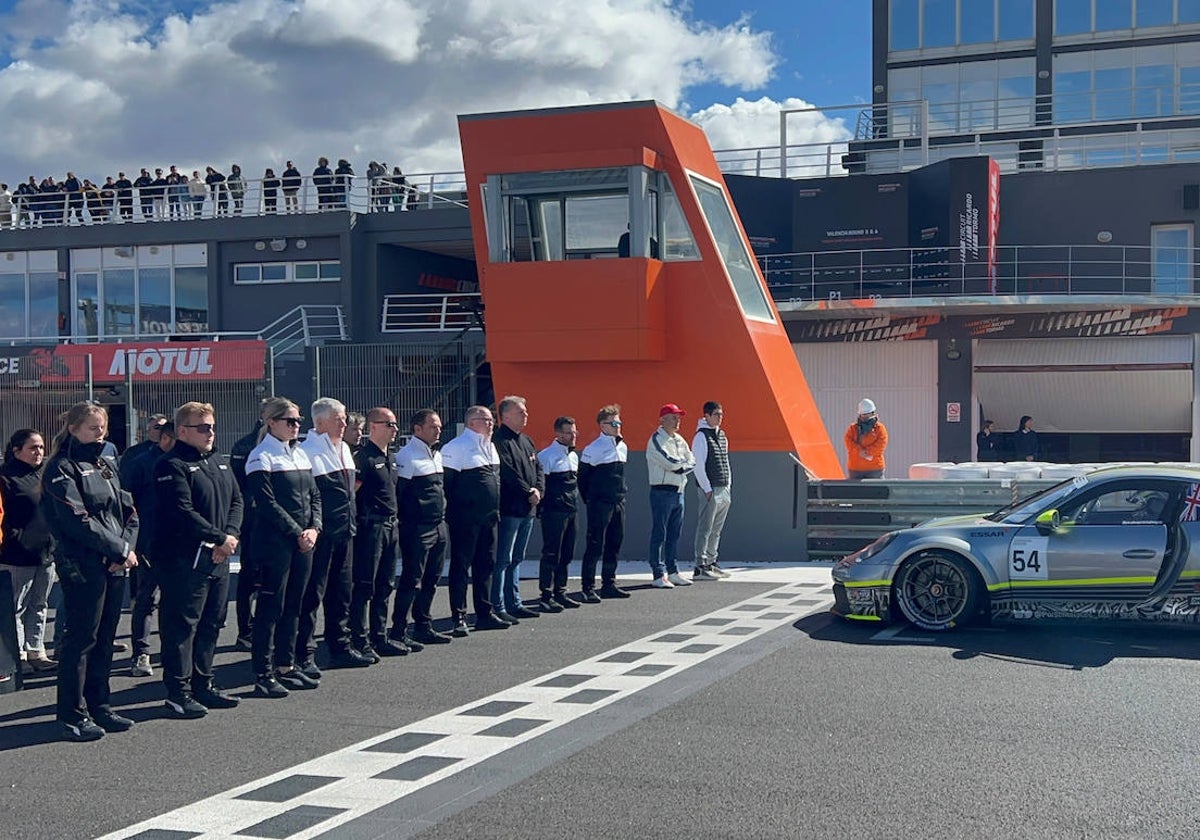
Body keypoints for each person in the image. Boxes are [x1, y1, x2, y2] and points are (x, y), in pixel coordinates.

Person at [41, 402, 139, 742]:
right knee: (81, 640)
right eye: (93, 428)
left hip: (114, 564)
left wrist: (124, 548)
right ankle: (72, 713)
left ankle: (101, 705)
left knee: (106, 638)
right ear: (74, 429)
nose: (101, 434)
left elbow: (129, 512)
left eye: (103, 428)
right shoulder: (60, 467)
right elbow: (75, 519)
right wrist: (117, 549)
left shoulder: (107, 463)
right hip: (82, 564)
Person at [154, 402, 243, 718]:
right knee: (182, 627)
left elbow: (236, 500)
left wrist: (229, 535)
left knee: (212, 623)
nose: (210, 433)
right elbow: (182, 511)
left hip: (219, 557)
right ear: (182, 431)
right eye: (202, 427)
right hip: (185, 560)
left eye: (212, 426)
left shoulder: (218, 460)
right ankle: (178, 692)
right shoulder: (171, 465)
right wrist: (219, 538)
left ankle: (204, 683)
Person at [244, 397, 321, 698]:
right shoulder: (260, 456)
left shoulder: (300, 454)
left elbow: (315, 496)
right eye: (290, 421)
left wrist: (314, 528)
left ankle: (286, 664)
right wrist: (296, 532)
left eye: (299, 421)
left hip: (304, 542)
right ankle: (263, 672)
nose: (296, 426)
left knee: (295, 605)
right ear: (272, 422)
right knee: (270, 607)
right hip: (276, 543)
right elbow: (266, 504)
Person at [298, 398, 364, 674]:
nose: (345, 423)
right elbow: (308, 498)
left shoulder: (345, 449)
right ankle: (304, 653)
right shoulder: (307, 451)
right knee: (312, 595)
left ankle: (340, 647)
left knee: (342, 594)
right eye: (340, 419)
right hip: (322, 535)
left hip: (345, 532)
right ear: (321, 422)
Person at [441, 405, 509, 634]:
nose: (491, 423)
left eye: (491, 420)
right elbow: (447, 485)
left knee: (486, 565)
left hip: (489, 518)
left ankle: (484, 613)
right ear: (471, 423)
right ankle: (458, 616)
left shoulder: (490, 446)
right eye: (485, 419)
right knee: (461, 567)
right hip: (465, 519)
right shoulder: (455, 448)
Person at [391, 409, 452, 648]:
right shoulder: (407, 456)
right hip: (417, 528)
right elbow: (400, 494)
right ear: (417, 429)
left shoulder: (436, 455)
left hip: (439, 525)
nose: (438, 430)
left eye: (439, 426)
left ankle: (423, 625)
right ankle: (398, 630)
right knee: (411, 580)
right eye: (433, 426)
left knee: (432, 578)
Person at [351, 406, 406, 660]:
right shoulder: (363, 458)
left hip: (391, 525)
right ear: (373, 426)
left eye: (395, 424)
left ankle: (379, 636)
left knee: (385, 584)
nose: (394, 429)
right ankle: (359, 639)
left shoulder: (391, 457)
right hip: (371, 527)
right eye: (389, 424)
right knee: (365, 585)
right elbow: (353, 493)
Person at [122, 422, 177, 678]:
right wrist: (132, 543)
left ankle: (170, 653)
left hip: (180, 545)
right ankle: (141, 653)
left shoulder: (186, 462)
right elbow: (125, 504)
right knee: (146, 600)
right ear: (166, 438)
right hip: (148, 544)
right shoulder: (140, 462)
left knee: (175, 602)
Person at [0, 429, 56, 673]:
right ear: (16, 451)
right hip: (16, 555)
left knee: (40, 603)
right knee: (15, 607)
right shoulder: (6, 477)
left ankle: (36, 650)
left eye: (42, 447)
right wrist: (17, 540)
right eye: (33, 448)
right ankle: (19, 654)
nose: (39, 452)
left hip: (46, 553)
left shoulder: (44, 474)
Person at [494, 395, 545, 621]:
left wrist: (538, 490)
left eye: (525, 412)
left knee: (517, 558)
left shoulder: (527, 441)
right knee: (504, 558)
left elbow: (539, 469)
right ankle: (499, 605)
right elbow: (508, 473)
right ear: (505, 416)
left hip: (528, 509)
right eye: (520, 412)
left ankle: (515, 602)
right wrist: (528, 492)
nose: (526, 415)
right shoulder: (500, 441)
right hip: (511, 508)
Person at [578, 404, 630, 601]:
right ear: (602, 425)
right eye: (613, 423)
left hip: (618, 501)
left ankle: (609, 584)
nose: (618, 426)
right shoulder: (593, 448)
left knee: (614, 543)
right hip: (600, 504)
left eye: (619, 422)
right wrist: (591, 500)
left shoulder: (622, 446)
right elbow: (583, 478)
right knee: (595, 544)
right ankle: (588, 587)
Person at [229, 402, 268, 649]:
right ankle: (245, 630)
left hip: (275, 522)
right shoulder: (246, 444)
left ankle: (265, 628)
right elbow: (237, 486)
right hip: (253, 520)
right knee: (249, 576)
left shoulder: (290, 445)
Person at [645, 403, 696, 589]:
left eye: (678, 417)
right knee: (660, 533)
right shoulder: (656, 439)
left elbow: (692, 460)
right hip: (661, 492)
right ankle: (658, 574)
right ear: (662, 419)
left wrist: (682, 466)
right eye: (673, 417)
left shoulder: (679, 440)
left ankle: (672, 571)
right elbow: (670, 462)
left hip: (678, 492)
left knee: (674, 534)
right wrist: (682, 466)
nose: (677, 420)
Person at [536, 416, 581, 611]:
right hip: (553, 512)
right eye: (568, 432)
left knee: (567, 553)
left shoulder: (574, 456)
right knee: (551, 554)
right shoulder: (547, 456)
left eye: (574, 432)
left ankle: (560, 592)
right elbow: (540, 484)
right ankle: (545, 596)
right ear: (558, 434)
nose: (573, 436)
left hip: (571, 510)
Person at [691, 401, 733, 581]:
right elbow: (698, 465)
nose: (719, 418)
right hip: (710, 489)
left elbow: (726, 462)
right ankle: (700, 566)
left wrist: (729, 485)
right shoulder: (700, 437)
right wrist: (707, 489)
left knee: (717, 529)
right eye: (716, 414)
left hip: (723, 488)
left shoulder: (722, 436)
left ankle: (711, 562)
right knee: (705, 528)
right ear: (706, 416)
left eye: (721, 414)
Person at [844, 398, 887, 480]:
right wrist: (860, 451)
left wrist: (867, 452)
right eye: (863, 414)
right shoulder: (853, 428)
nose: (865, 417)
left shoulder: (880, 428)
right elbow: (848, 442)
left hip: (875, 469)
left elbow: (881, 445)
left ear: (873, 413)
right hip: (855, 469)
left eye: (867, 414)